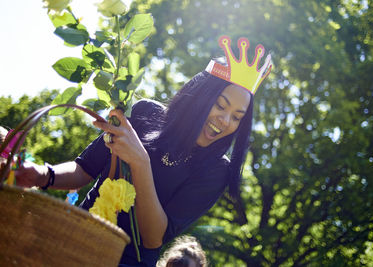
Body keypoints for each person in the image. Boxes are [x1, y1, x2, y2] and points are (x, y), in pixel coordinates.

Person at [14, 35, 272, 266]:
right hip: (73, 237)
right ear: (201, 96)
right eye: (220, 106)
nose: (225, 121)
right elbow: (84, 169)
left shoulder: (217, 171)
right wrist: (40, 175)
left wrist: (141, 163)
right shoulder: (144, 112)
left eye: (237, 117)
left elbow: (153, 238)